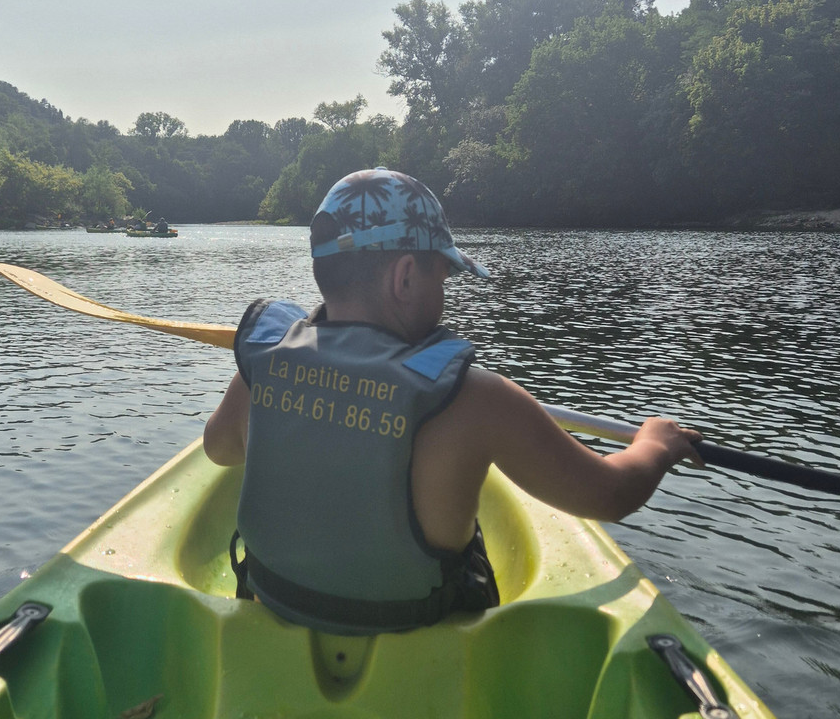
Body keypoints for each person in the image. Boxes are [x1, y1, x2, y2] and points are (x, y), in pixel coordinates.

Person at [204, 167, 702, 635]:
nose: (444, 295)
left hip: (277, 611)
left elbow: (219, 449)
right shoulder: (477, 398)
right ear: (405, 277)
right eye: (442, 278)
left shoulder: (266, 363)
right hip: (422, 640)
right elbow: (612, 495)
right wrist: (656, 445)